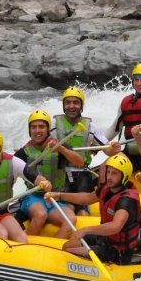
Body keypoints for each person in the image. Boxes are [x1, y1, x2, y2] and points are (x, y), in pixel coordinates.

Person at [45, 154, 141, 265]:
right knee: (66, 246)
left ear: (124, 176)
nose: (109, 177)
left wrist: (87, 230)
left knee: (68, 253)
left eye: (114, 173)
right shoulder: (107, 188)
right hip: (105, 239)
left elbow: (115, 226)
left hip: (118, 250)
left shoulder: (126, 201)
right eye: (108, 172)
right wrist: (60, 195)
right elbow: (88, 198)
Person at [14, 110, 84, 238]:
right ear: (30, 130)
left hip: (54, 198)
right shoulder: (23, 153)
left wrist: (61, 149)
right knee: (40, 214)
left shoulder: (59, 147)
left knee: (71, 219)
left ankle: (54, 252)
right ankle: (26, 249)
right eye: (34, 127)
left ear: (47, 130)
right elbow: (9, 175)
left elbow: (80, 162)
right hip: (32, 197)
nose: (37, 130)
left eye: (41, 126)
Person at [54, 86, 121, 216]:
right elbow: (39, 141)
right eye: (68, 102)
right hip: (60, 174)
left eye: (75, 102)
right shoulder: (53, 125)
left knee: (83, 212)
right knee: (68, 209)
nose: (71, 106)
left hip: (82, 174)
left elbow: (107, 150)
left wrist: (113, 149)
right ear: (63, 105)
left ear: (81, 105)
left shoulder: (91, 127)